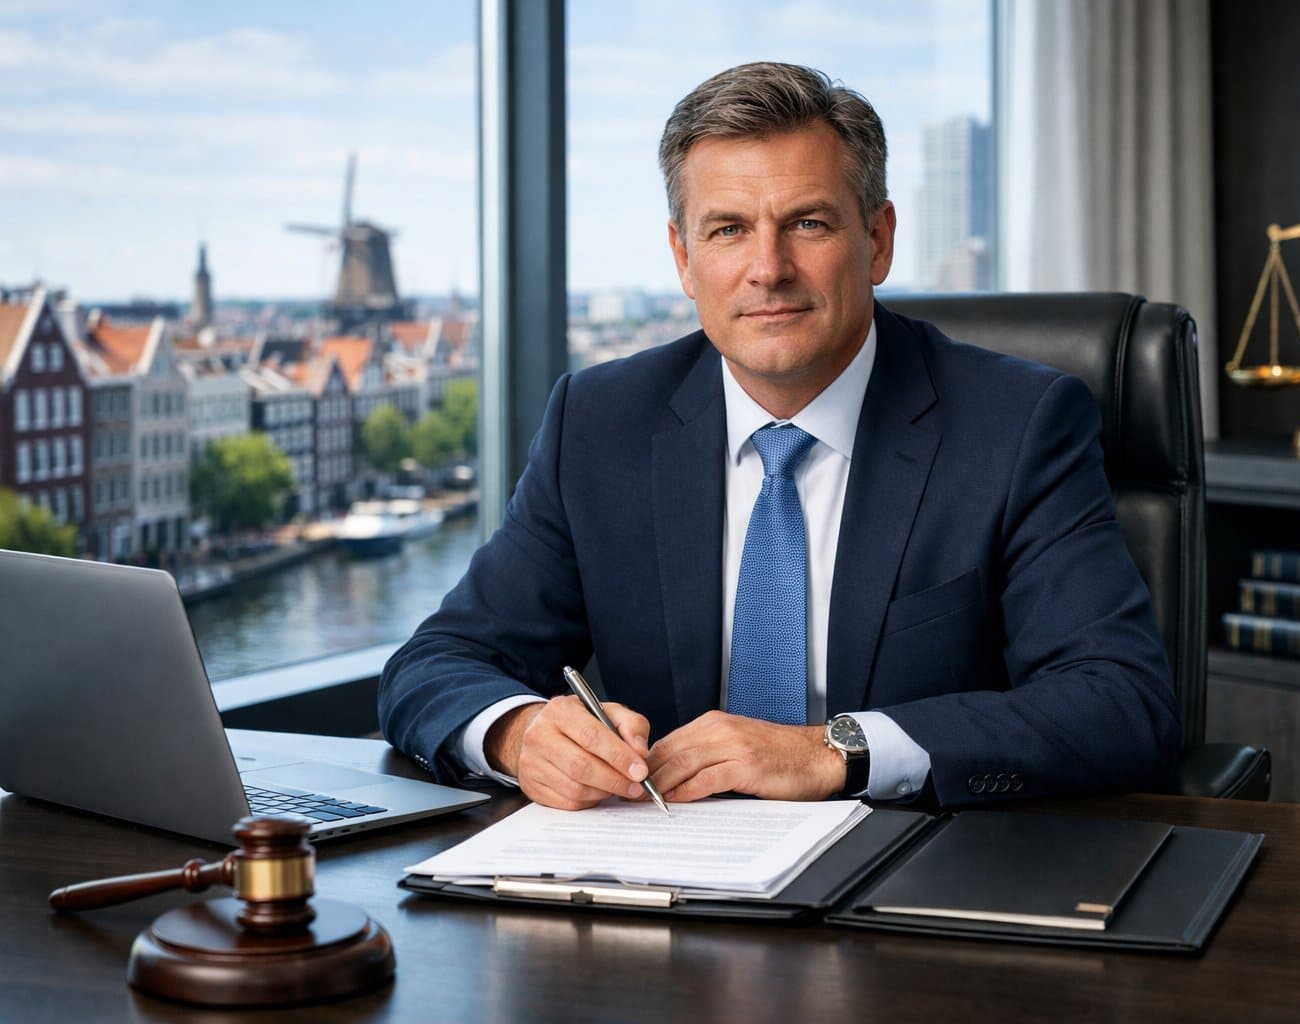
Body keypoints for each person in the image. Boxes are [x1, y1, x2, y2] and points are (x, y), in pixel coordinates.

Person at [379, 61, 1179, 810]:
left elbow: (1119, 701)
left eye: (807, 223)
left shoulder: (1017, 425)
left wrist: (836, 750)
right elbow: (433, 666)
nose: (768, 268)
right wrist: (520, 735)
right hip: (665, 891)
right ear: (683, 259)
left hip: (914, 889)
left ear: (878, 240)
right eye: (727, 229)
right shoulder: (598, 422)